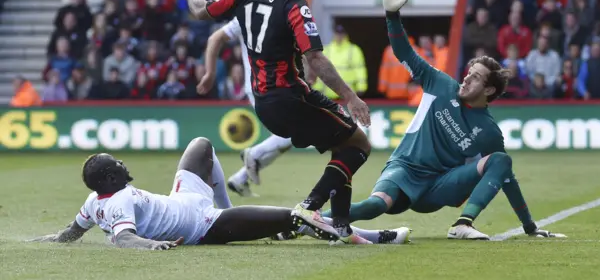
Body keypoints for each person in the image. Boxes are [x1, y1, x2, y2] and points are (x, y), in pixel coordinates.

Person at [322, 0, 566, 240]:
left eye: (476, 77)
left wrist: (529, 226)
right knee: (374, 206)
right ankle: (305, 221)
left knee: (501, 160)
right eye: (468, 72)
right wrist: (392, 15)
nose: (466, 78)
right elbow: (404, 53)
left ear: (489, 90)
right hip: (404, 168)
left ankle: (463, 224)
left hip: (438, 187)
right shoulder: (439, 83)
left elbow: (505, 176)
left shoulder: (488, 130)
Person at [166, 0, 372, 244]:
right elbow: (315, 58)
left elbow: (200, 11)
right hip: (291, 96)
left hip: (263, 103)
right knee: (359, 144)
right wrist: (351, 97)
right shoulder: (294, 5)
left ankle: (340, 227)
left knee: (342, 146)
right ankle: (309, 208)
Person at [28, 137, 411, 248]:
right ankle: (369, 237)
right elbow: (125, 238)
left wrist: (39, 239)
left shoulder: (94, 201)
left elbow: (70, 234)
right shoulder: (120, 202)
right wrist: (153, 246)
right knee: (292, 217)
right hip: (204, 225)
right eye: (118, 167)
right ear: (111, 181)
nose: (125, 167)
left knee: (201, 145)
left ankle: (231, 206)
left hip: (185, 199)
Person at [197, 18, 293, 198]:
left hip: (263, 86)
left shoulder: (243, 14)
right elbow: (215, 37)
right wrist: (210, 73)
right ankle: (254, 154)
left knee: (288, 136)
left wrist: (209, 72)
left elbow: (215, 37)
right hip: (270, 86)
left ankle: (240, 178)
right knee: (295, 133)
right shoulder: (274, 7)